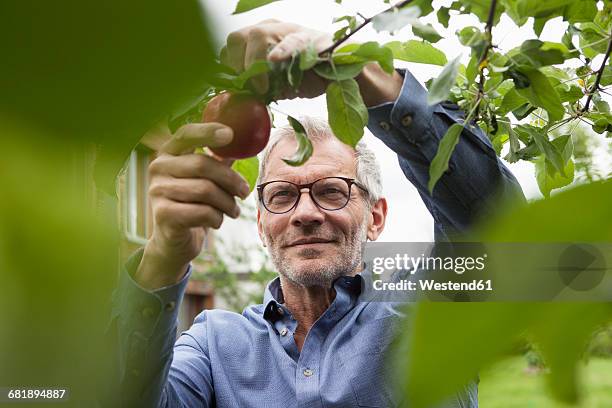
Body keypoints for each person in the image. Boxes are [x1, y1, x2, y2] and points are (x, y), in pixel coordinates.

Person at [107, 20, 524, 407]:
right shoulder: (213, 346)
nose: (304, 213)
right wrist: (164, 255)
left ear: (375, 217)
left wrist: (361, 73)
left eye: (330, 191)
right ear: (260, 223)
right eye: (283, 195)